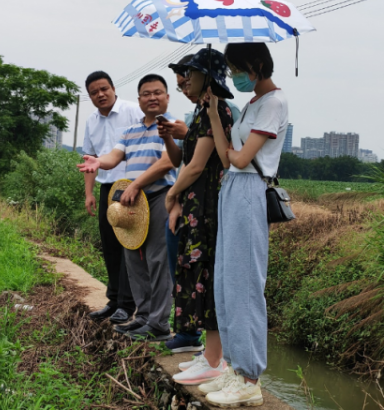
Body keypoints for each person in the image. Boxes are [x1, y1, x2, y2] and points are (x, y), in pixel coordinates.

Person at [201, 42, 289, 408]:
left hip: (251, 191)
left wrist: (236, 157)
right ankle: (236, 369)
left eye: (237, 67)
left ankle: (250, 378)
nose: (234, 75)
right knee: (225, 282)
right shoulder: (252, 105)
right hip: (232, 189)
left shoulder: (275, 103)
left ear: (256, 65)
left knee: (245, 284)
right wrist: (215, 115)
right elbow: (227, 157)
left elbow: (242, 159)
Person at [78, 74, 176, 341]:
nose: (152, 97)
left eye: (157, 92)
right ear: (139, 98)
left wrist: (136, 185)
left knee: (157, 260)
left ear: (167, 97)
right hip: (132, 200)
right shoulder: (131, 131)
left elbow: (168, 162)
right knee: (134, 259)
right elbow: (114, 156)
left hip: (159, 196)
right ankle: (142, 317)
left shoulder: (172, 126)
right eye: (146, 93)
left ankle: (158, 324)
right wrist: (98, 162)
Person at [161, 49, 234, 385]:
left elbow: (196, 165)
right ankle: (208, 354)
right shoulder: (202, 113)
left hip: (208, 209)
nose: (186, 81)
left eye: (191, 74)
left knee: (207, 278)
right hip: (197, 208)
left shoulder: (215, 114)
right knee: (198, 278)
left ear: (209, 76)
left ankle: (215, 359)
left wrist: (172, 194)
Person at [82, 71, 142, 324]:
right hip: (108, 189)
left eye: (104, 89)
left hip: (133, 188)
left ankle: (127, 305)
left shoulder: (132, 111)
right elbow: (89, 159)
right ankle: (114, 300)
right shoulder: (91, 121)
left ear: (113, 88)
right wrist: (89, 193)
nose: (100, 94)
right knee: (110, 247)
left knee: (129, 246)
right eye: (94, 92)